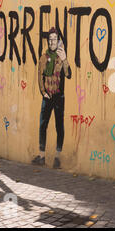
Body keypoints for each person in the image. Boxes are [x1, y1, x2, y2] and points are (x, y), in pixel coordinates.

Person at [32, 27, 71, 169]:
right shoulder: (44, 57)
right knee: (43, 124)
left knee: (59, 125)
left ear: (58, 41)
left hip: (59, 96)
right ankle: (42, 156)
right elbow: (40, 76)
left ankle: (57, 157)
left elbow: (68, 74)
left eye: (54, 39)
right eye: (50, 39)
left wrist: (65, 59)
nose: (52, 42)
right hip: (47, 96)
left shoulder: (61, 57)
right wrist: (43, 92)